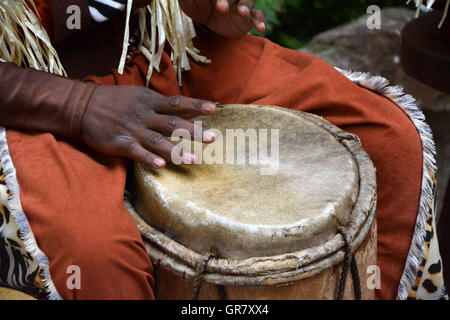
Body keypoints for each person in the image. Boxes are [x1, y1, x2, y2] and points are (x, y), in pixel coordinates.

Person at [0, 0, 446, 300]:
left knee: (388, 139)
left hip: (156, 50)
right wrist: (78, 105)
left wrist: (204, 11)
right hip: (32, 97)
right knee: (95, 257)